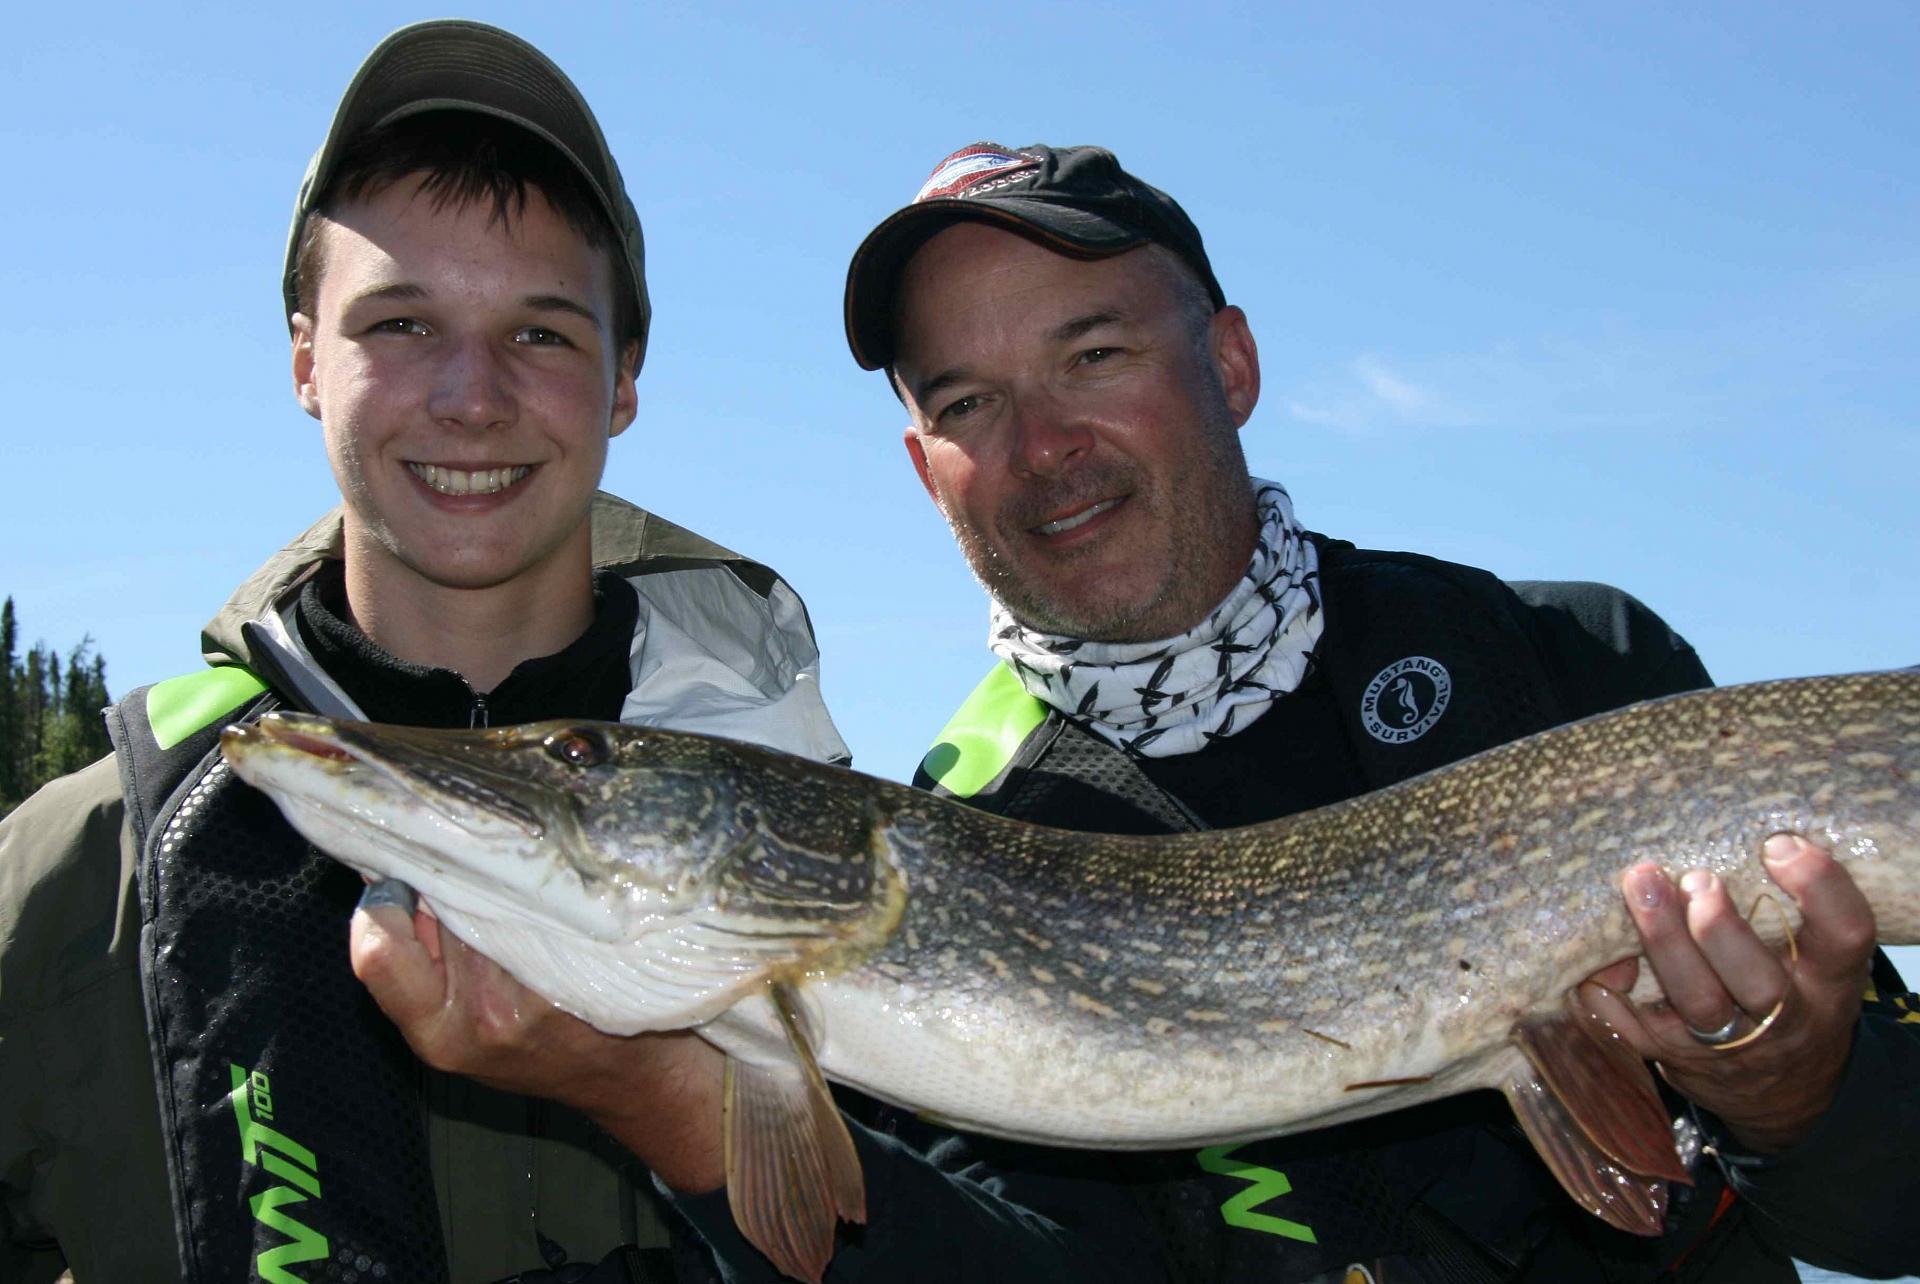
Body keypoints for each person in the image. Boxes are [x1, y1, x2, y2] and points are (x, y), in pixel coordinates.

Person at [811, 141, 1917, 1282]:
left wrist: (1796, 1098)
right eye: (969, 403)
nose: (1043, 447)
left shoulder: (1565, 661)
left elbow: (1888, 1224)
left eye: (1094, 354)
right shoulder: (954, 869)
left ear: (1232, 364)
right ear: (922, 466)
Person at [0, 21, 848, 1283]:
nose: (471, 395)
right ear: (305, 359)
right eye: (400, 324)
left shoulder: (834, 849)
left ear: (624, 382)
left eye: (544, 333)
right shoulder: (68, 875)